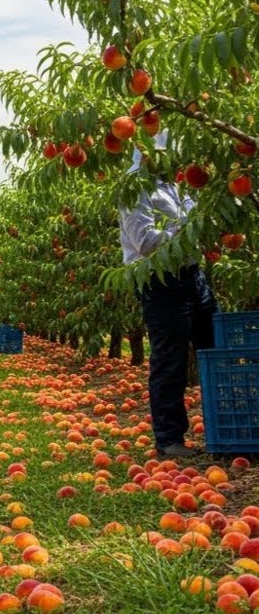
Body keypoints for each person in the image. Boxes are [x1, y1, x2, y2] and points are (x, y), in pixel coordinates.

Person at [119, 130, 217, 458]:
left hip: (192, 275)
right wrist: (191, 230)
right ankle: (169, 439)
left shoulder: (177, 183)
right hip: (159, 281)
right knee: (170, 359)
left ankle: (223, 427)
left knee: (214, 350)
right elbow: (145, 242)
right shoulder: (134, 187)